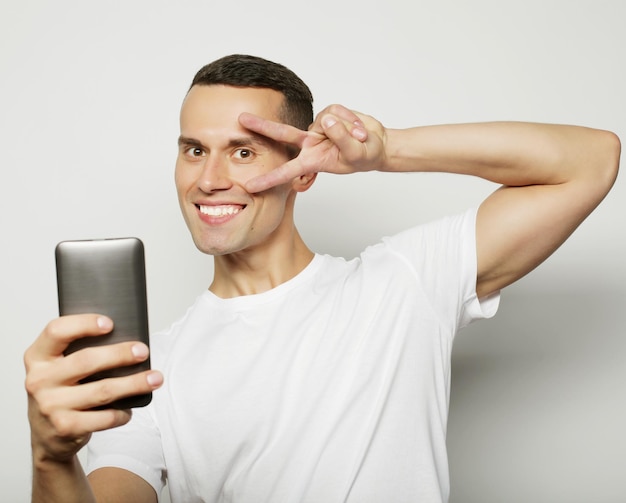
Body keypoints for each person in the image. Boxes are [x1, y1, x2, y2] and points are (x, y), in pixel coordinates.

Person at [24, 54, 620, 503]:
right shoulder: (153, 368)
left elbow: (591, 161)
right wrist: (51, 460)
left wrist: (387, 150)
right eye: (193, 149)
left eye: (243, 151)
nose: (208, 179)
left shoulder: (403, 284)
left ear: (301, 172)